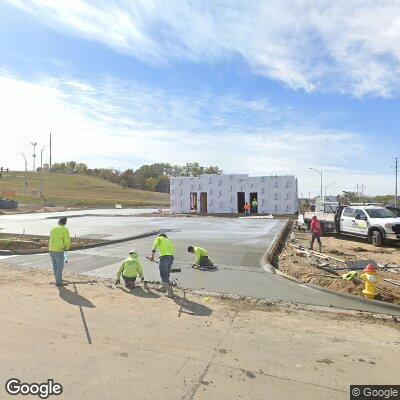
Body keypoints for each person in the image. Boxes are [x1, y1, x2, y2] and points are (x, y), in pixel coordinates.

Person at [150, 233, 174, 298]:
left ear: (160, 236)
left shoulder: (159, 238)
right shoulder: (168, 240)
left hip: (164, 258)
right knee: (166, 274)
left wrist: (152, 256)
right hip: (171, 258)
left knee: (163, 275)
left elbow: (154, 247)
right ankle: (164, 288)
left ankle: (170, 293)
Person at [49, 217, 70, 286]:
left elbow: (51, 239)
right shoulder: (65, 230)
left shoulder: (53, 229)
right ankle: (58, 282)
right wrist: (66, 247)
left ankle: (58, 278)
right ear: (65, 223)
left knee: (55, 266)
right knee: (60, 266)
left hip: (51, 249)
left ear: (59, 222)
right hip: (59, 250)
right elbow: (66, 241)